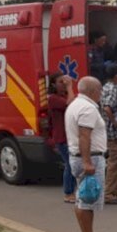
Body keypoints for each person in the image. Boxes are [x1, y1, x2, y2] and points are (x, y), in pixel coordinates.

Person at [65, 76, 111, 232]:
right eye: (100, 91)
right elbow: (84, 135)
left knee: (82, 198)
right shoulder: (87, 108)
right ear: (93, 91)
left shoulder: (75, 105)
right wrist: (87, 162)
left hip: (79, 156)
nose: (101, 94)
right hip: (89, 157)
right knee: (88, 199)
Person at [100, 63, 117, 203]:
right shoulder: (112, 89)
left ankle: (115, 190)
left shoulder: (107, 87)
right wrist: (115, 122)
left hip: (113, 131)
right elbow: (107, 108)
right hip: (114, 132)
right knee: (115, 162)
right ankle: (109, 193)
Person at [47, 73, 77, 203]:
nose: (63, 84)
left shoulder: (63, 96)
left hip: (70, 136)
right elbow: (69, 104)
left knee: (74, 164)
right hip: (62, 138)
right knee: (70, 164)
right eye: (61, 82)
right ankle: (68, 192)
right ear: (53, 84)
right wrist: (70, 87)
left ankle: (73, 191)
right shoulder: (53, 98)